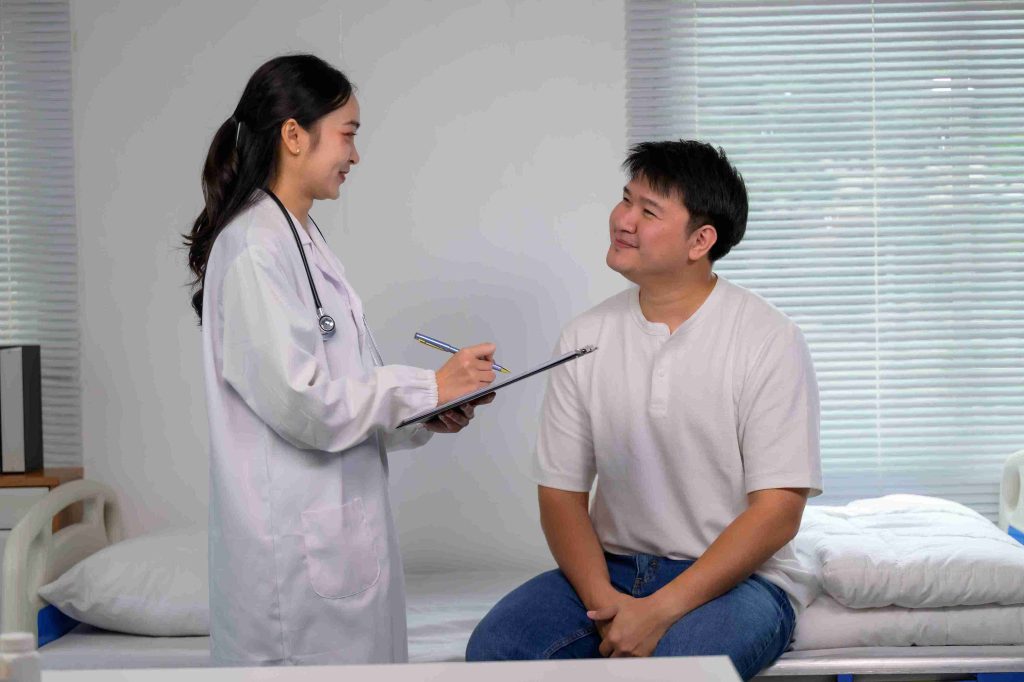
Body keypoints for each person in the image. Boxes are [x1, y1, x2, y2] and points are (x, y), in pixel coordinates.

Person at [466, 140, 822, 680]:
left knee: (677, 669)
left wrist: (658, 611)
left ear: (701, 241)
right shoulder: (586, 336)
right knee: (496, 652)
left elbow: (778, 511)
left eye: (648, 210)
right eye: (625, 199)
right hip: (612, 566)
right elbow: (561, 495)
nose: (623, 219)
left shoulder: (767, 338)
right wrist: (607, 605)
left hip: (739, 580)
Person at [183, 54, 496, 666]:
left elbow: (341, 387)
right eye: (348, 134)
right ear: (294, 135)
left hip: (333, 540)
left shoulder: (302, 238)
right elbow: (305, 405)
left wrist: (427, 410)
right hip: (293, 567)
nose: (356, 155)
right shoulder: (253, 248)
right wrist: (427, 387)